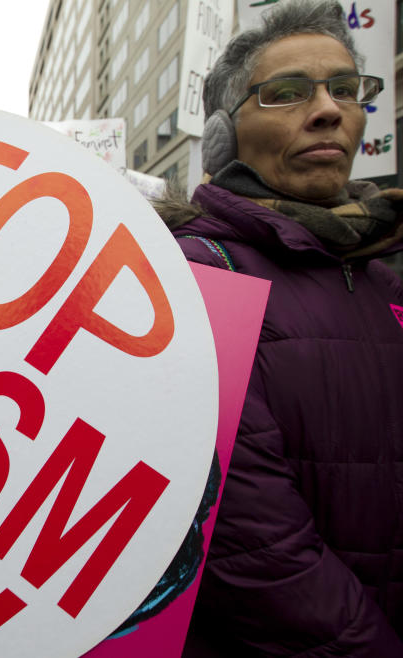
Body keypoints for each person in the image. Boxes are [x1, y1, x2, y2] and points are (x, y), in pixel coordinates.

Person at [154, 1, 403, 654]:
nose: (329, 110)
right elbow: (255, 546)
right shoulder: (197, 278)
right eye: (287, 92)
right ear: (222, 137)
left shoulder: (386, 278)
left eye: (346, 89)